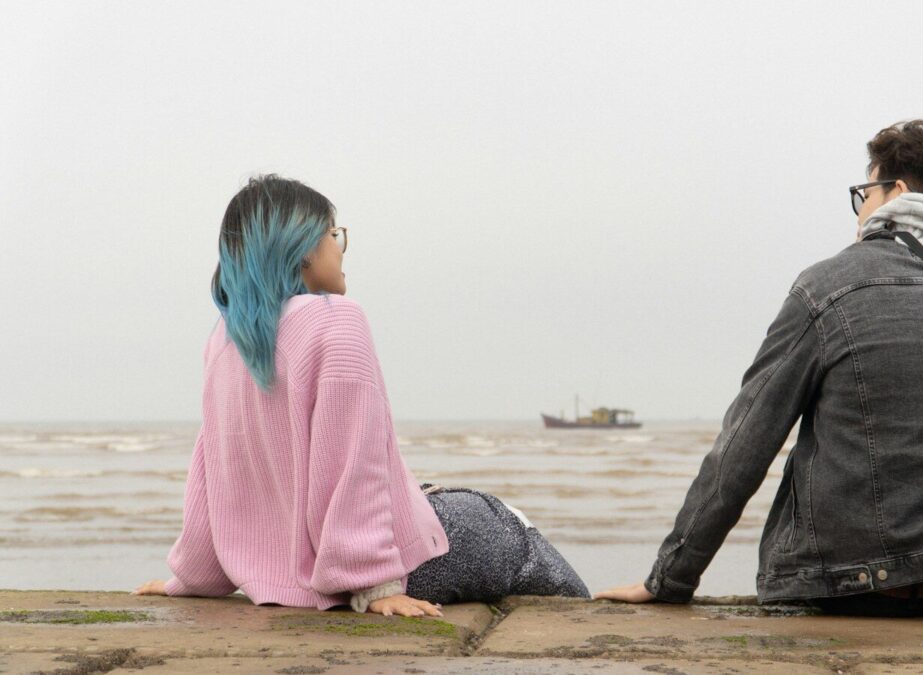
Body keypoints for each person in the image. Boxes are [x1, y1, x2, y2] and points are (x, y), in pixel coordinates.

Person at [597, 120, 923, 618]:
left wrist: (671, 578)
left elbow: (747, 441)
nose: (860, 210)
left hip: (866, 585)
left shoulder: (829, 284)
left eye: (864, 192)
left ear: (895, 191)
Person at [135, 175, 588, 616]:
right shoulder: (335, 318)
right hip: (396, 564)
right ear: (301, 247)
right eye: (334, 233)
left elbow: (214, 472)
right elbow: (353, 459)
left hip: (300, 569)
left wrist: (192, 579)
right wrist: (376, 584)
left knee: (432, 496)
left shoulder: (225, 341)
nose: (340, 246)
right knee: (514, 533)